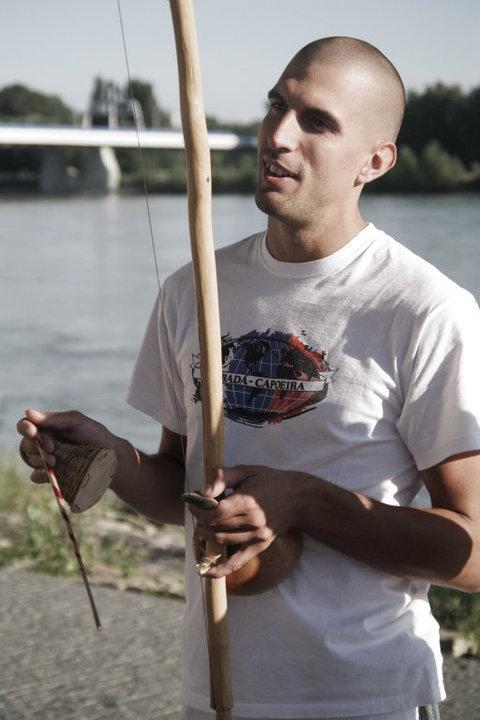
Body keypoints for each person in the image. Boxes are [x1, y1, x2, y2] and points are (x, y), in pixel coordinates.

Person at [17, 37, 480, 720]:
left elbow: (472, 559)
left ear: (375, 161)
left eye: (316, 121)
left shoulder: (424, 309)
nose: (278, 135)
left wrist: (306, 502)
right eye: (275, 106)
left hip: (364, 697)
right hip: (215, 693)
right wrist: (109, 457)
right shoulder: (194, 291)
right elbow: (181, 491)